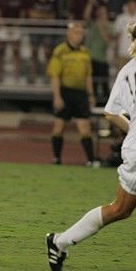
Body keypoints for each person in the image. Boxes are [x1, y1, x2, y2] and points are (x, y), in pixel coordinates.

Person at [46, 20, 136, 271]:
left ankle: (60, 241)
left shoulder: (127, 71)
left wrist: (134, 129)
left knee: (119, 210)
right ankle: (60, 241)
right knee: (119, 209)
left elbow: (111, 113)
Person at [46, 22, 98, 166]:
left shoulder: (85, 52)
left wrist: (90, 94)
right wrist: (57, 96)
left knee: (85, 127)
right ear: (68, 34)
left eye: (81, 33)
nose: (79, 36)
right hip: (65, 92)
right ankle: (56, 158)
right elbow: (55, 76)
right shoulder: (60, 51)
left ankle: (90, 160)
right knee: (59, 126)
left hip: (80, 94)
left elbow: (88, 76)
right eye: (76, 33)